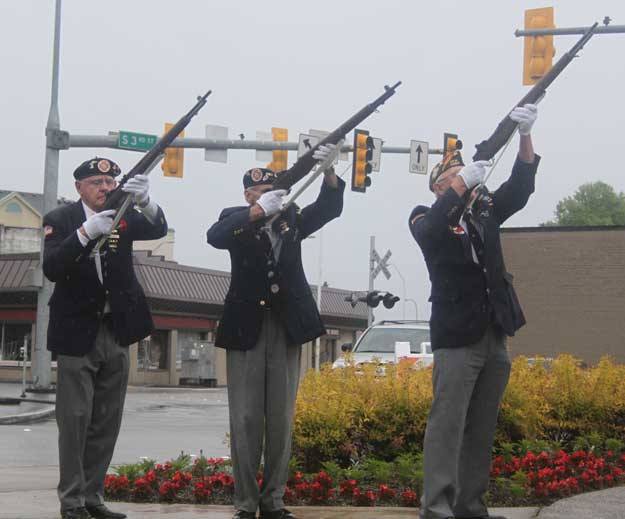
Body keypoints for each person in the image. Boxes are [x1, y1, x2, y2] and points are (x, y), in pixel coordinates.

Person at [408, 105, 539, 519]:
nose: (466, 180)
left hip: (493, 329)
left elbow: (519, 191)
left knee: (481, 428)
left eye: (464, 174)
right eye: (453, 177)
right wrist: (462, 184)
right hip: (457, 335)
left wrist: (523, 137)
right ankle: (438, 509)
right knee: (447, 426)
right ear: (439, 187)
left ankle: (471, 507)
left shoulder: (483, 214)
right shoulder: (427, 217)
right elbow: (431, 232)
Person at [206, 144, 343, 519]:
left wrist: (329, 173)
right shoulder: (234, 218)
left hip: (286, 326)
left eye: (273, 192)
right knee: (246, 420)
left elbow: (330, 208)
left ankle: (274, 500)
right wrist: (254, 213)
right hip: (245, 328)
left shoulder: (292, 219)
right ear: (248, 194)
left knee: (280, 419)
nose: (268, 197)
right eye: (260, 193)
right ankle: (245, 504)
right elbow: (215, 236)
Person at [42, 157, 168, 519]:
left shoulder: (124, 214)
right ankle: (72, 501)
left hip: (116, 328)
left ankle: (93, 497)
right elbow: (51, 267)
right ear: (80, 186)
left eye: (110, 182)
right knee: (75, 421)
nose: (105, 188)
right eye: (97, 182)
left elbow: (158, 228)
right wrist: (84, 234)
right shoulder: (60, 219)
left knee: (106, 421)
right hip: (76, 333)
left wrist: (146, 202)